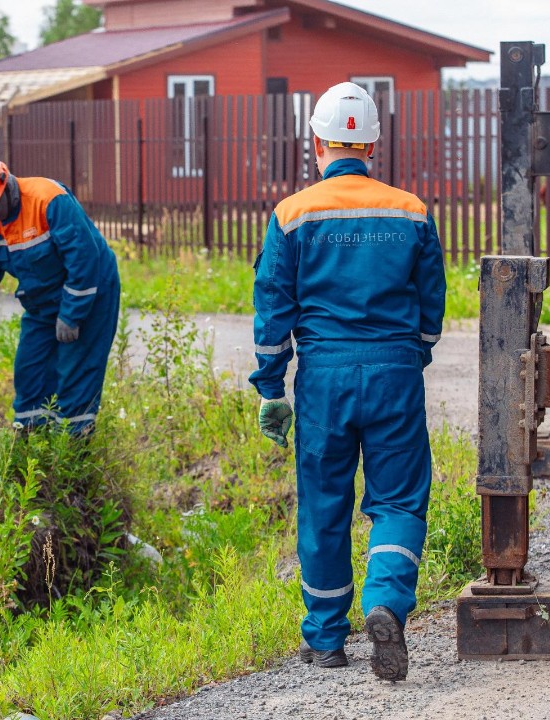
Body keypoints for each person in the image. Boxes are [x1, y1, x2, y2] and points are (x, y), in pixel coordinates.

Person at [249, 82, 446, 681]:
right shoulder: (411, 211)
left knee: (324, 504)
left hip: (324, 378)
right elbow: (431, 305)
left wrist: (269, 387)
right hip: (393, 373)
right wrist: (411, 355)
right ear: (372, 144)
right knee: (399, 498)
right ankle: (385, 600)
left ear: (318, 141)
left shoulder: (292, 213)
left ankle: (327, 639)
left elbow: (272, 310)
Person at [0, 154, 120, 436]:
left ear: (7, 186)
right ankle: (32, 450)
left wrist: (72, 314)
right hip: (41, 300)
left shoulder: (49, 200)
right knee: (31, 371)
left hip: (89, 291)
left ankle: (72, 458)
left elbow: (85, 260)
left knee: (75, 374)